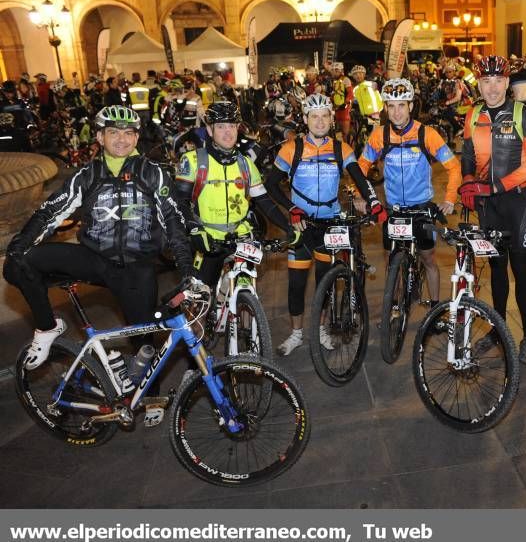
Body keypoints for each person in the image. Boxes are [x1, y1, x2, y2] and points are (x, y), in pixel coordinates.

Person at [2, 105, 195, 426]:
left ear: (136, 137)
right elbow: (49, 212)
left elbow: (174, 222)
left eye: (129, 133)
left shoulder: (153, 172)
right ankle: (48, 328)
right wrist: (19, 244)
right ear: (100, 137)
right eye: (114, 133)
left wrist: (186, 269)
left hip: (138, 266)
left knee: (144, 340)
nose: (122, 139)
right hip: (96, 261)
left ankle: (150, 399)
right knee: (17, 264)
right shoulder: (86, 175)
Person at [266, 93, 386, 357]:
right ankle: (297, 333)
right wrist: (291, 209)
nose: (319, 121)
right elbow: (270, 184)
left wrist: (374, 201)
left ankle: (319, 330)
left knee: (325, 282)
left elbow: (359, 177)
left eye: (324, 116)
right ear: (306, 119)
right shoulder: (292, 149)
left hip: (330, 224)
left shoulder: (341, 149)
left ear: (332, 119)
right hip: (302, 227)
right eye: (314, 116)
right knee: (296, 284)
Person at [459, 55, 526, 364]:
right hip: (487, 207)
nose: (492, 88)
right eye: (485, 81)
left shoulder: (523, 113)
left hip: (516, 205)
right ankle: (498, 330)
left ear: (507, 83)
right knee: (496, 270)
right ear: (478, 85)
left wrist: (499, 186)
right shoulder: (473, 114)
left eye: (497, 81)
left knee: (521, 272)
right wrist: (468, 181)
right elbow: (467, 153)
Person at [357, 78, 462, 313]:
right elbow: (361, 166)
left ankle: (435, 310)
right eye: (391, 106)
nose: (396, 112)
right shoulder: (379, 136)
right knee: (390, 259)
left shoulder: (427, 134)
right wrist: (359, 194)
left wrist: (449, 199)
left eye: (401, 105)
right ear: (385, 108)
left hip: (421, 207)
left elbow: (454, 167)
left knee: (428, 260)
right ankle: (394, 306)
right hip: (393, 209)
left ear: (411, 106)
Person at [173, 100, 289, 289]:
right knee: (200, 303)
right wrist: (194, 228)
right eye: (220, 126)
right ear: (210, 130)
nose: (227, 132)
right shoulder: (193, 161)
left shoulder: (246, 164)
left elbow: (264, 202)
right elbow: (180, 202)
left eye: (232, 126)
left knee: (246, 289)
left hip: (242, 238)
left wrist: (288, 227)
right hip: (207, 240)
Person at [330, 62, 353, 143]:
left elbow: (350, 94)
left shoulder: (345, 79)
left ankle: (349, 148)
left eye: (336, 70)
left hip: (344, 109)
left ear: (341, 71)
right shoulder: (334, 81)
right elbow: (335, 94)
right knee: (338, 132)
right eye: (332, 70)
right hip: (337, 109)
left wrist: (345, 104)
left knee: (345, 133)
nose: (334, 72)